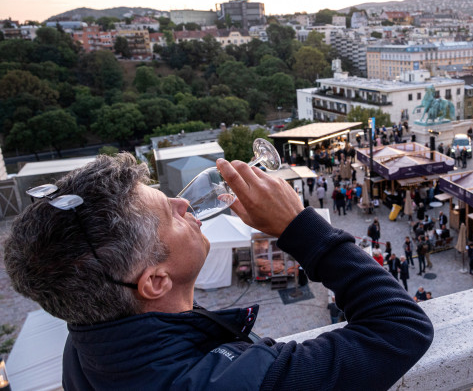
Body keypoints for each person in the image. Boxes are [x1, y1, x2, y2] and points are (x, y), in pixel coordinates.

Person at [4, 154, 433, 390]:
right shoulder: (234, 382)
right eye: (168, 215)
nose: (184, 204)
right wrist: (299, 227)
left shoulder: (86, 346)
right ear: (155, 281)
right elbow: (401, 328)